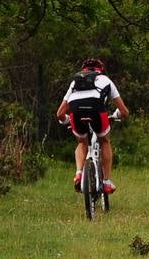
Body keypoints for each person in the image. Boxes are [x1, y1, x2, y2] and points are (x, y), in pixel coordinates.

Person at [55, 58, 131, 194]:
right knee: (105, 141)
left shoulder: (75, 82)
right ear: (101, 70)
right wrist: (116, 115)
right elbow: (124, 111)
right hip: (97, 110)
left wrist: (67, 120)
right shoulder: (106, 80)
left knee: (82, 142)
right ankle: (106, 182)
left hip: (76, 111)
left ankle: (79, 173)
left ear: (83, 70)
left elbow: (60, 113)